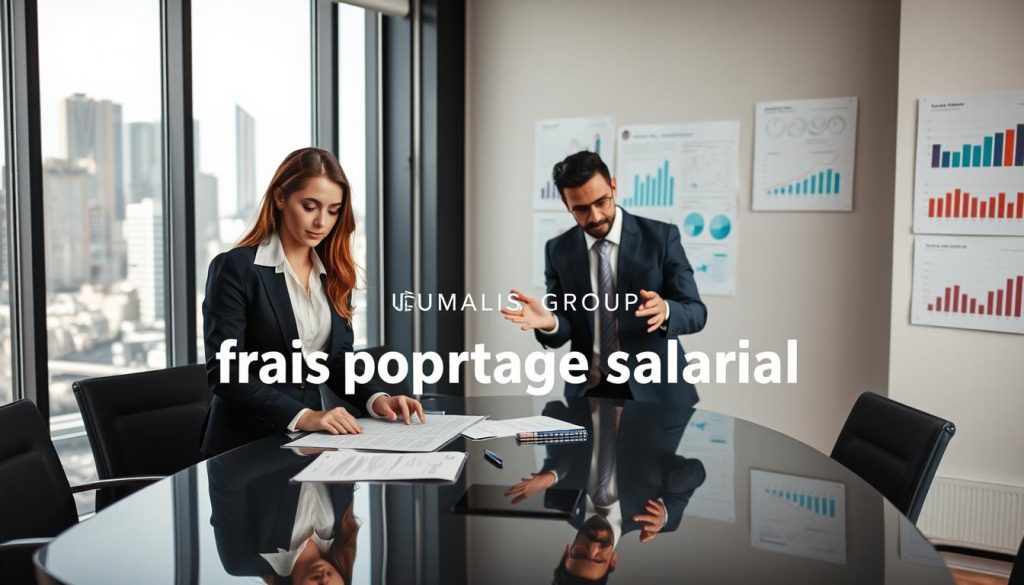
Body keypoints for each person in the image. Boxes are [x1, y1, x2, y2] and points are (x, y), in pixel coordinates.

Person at [200, 147, 423, 457]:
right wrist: (305, 417)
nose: (322, 221)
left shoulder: (334, 272)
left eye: (333, 210)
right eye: (310, 206)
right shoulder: (235, 269)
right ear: (280, 198)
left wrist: (378, 399)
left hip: (310, 444)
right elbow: (227, 372)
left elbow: (336, 361)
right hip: (245, 448)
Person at [502, 151, 707, 406]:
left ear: (614, 186)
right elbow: (563, 329)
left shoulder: (661, 238)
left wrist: (665, 310)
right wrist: (550, 322)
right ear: (567, 206)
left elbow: (696, 312)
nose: (596, 216)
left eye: (602, 202)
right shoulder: (558, 250)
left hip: (656, 392)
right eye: (581, 209)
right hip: (589, 390)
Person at [504, 398, 706, 584]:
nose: (594, 547)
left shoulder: (558, 498)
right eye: (599, 559)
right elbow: (695, 471)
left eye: (581, 554)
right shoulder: (655, 519)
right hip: (658, 392)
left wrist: (553, 473)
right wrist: (665, 511)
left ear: (567, 553)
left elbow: (555, 412)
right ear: (613, 562)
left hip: (592, 377)